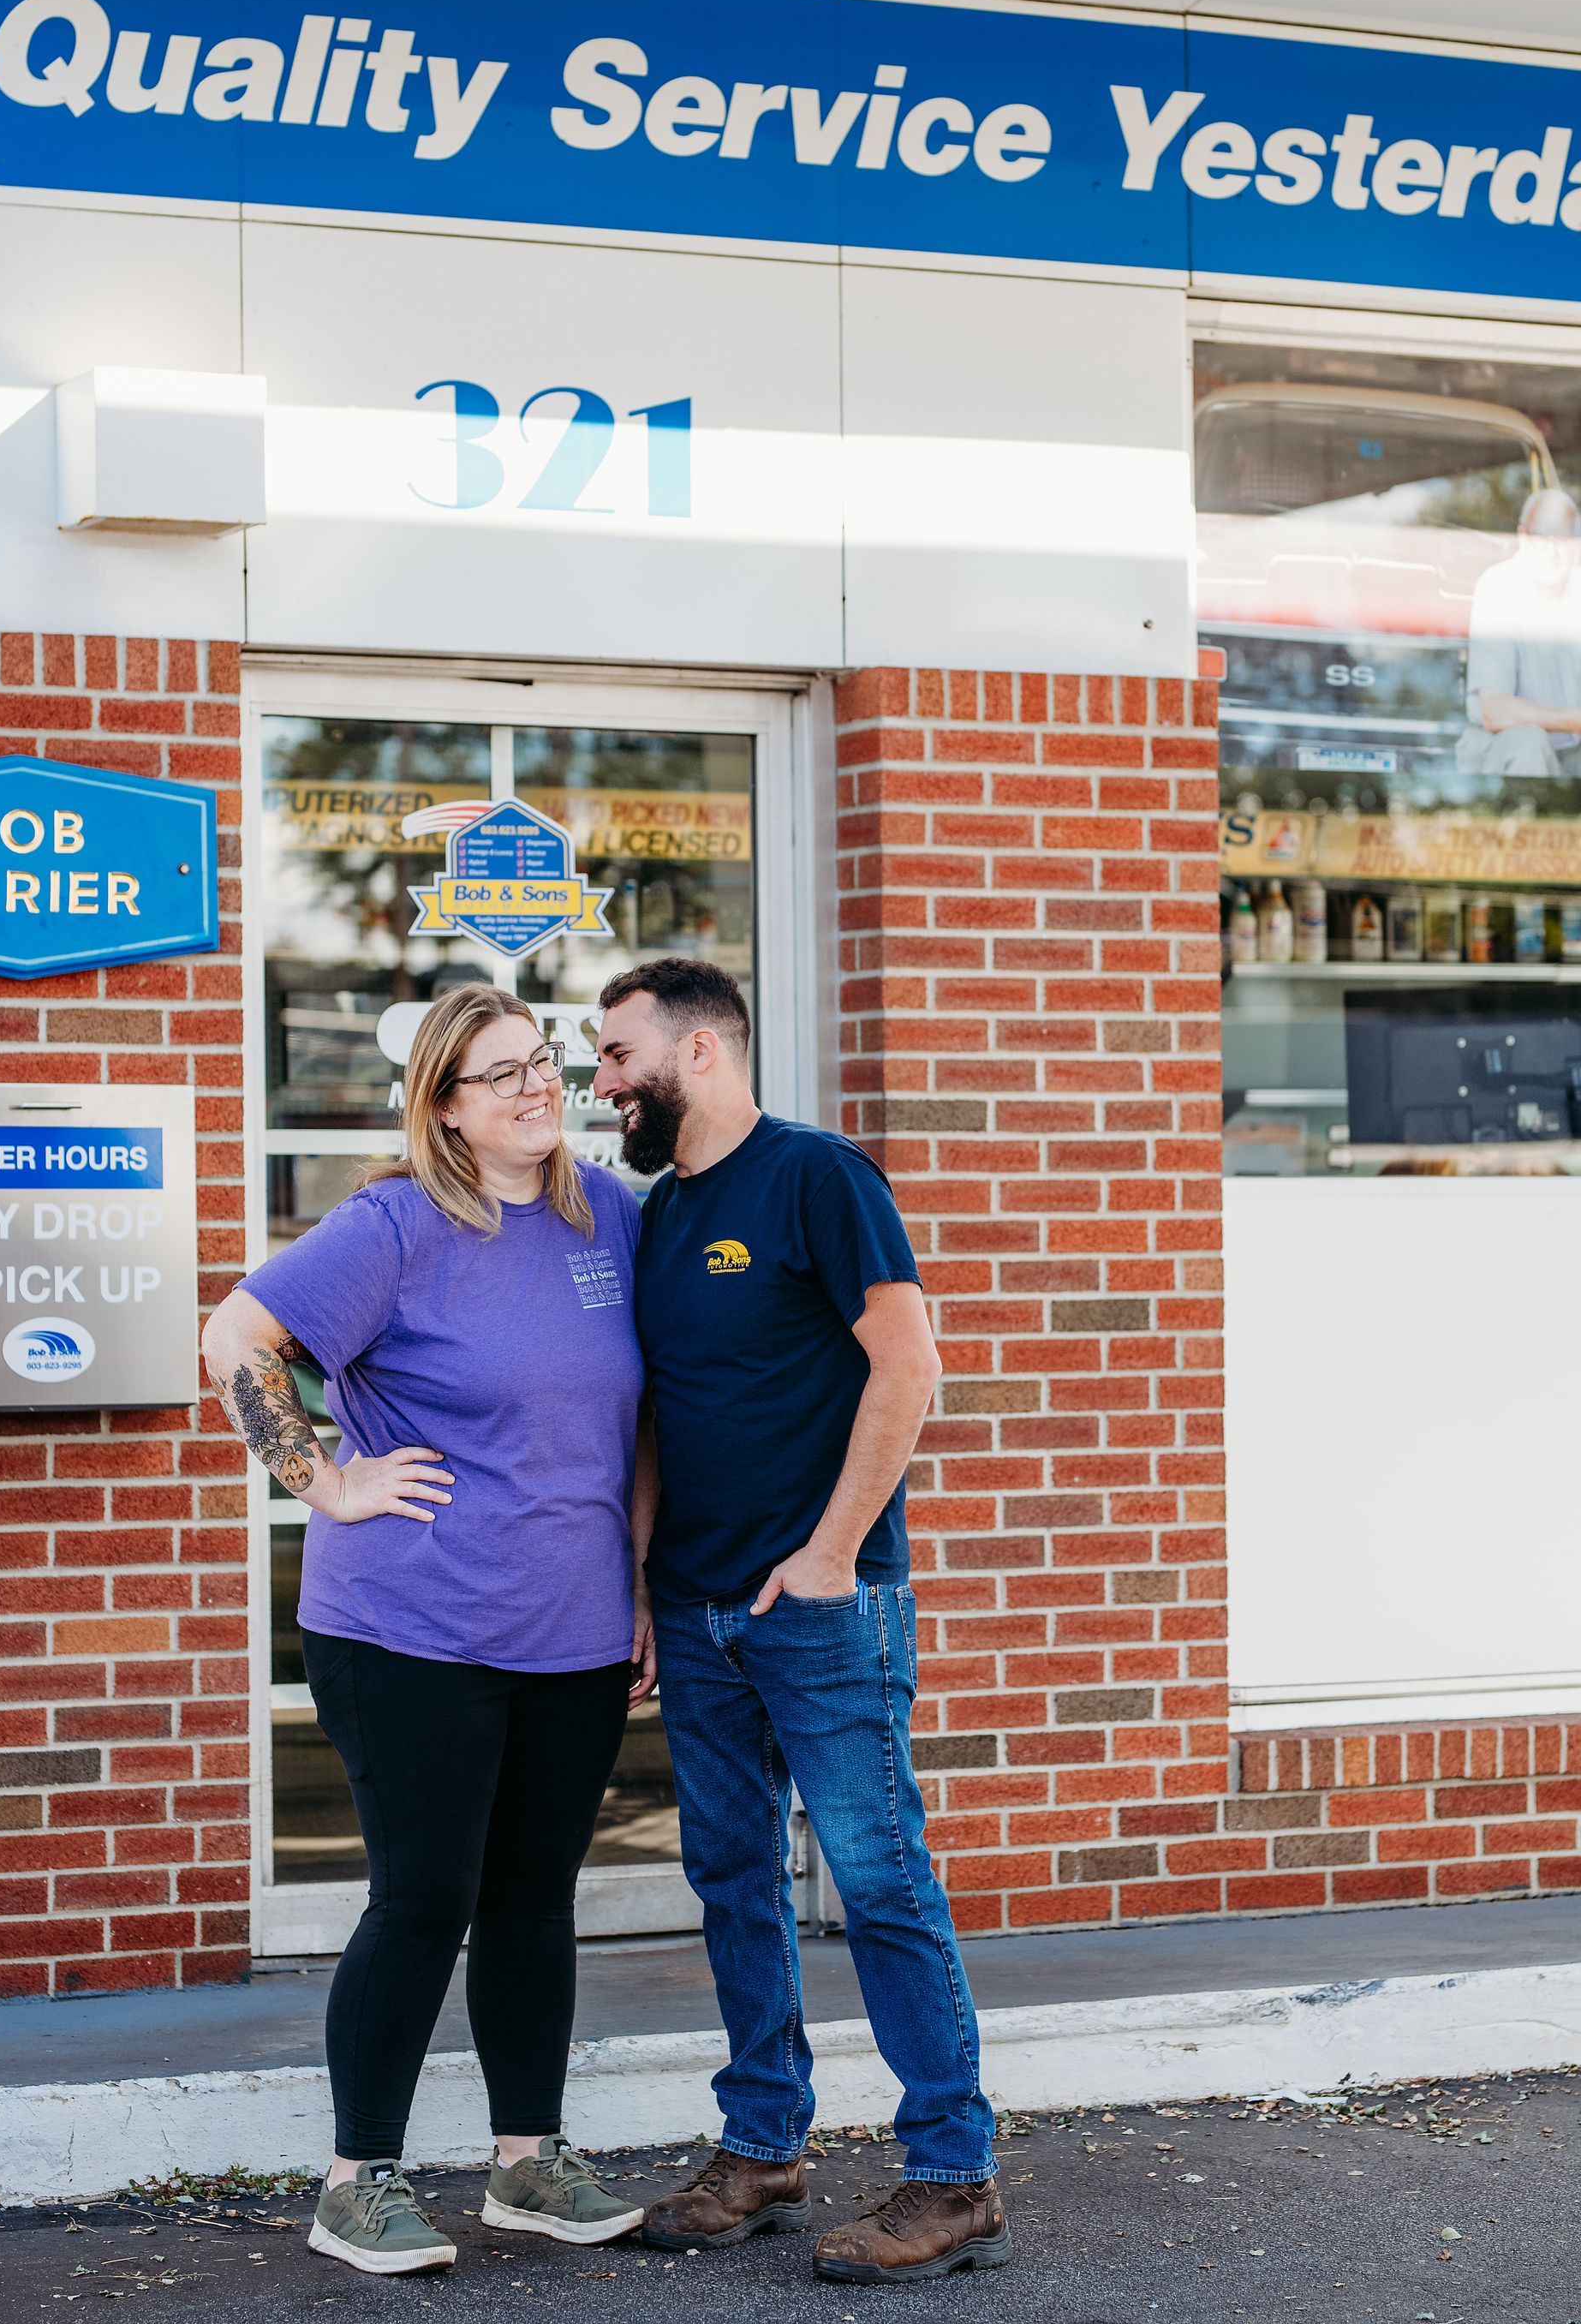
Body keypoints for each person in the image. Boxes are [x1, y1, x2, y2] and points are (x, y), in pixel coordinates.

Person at [202, 983, 654, 2275]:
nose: (535, 1088)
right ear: (445, 1111)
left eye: (544, 1063)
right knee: (424, 1898)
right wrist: (327, 1481)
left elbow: (631, 1418)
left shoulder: (604, 1215)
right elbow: (236, 1336)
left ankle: (526, 2163)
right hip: (408, 1624)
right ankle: (359, 2179)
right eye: (500, 1075)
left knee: (531, 1901)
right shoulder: (394, 1225)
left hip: (570, 1626)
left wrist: (631, 1577)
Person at [593, 957, 1006, 2287]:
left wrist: (831, 1555)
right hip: (700, 1610)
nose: (602, 1085)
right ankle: (763, 2146)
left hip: (824, 1610)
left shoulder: (821, 1177)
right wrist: (645, 1580)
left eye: (616, 1057)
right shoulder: (658, 1217)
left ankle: (954, 2177)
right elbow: (658, 1409)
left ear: (698, 1052)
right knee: (731, 1883)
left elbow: (911, 1365)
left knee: (882, 1883)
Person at [1458, 487, 1581, 776]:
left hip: (1572, 755)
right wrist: (1575, 720)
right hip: (1506, 752)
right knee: (1530, 742)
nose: (1552, 551)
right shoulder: (1499, 586)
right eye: (1541, 538)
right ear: (1523, 537)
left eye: (1562, 538)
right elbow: (1495, 711)